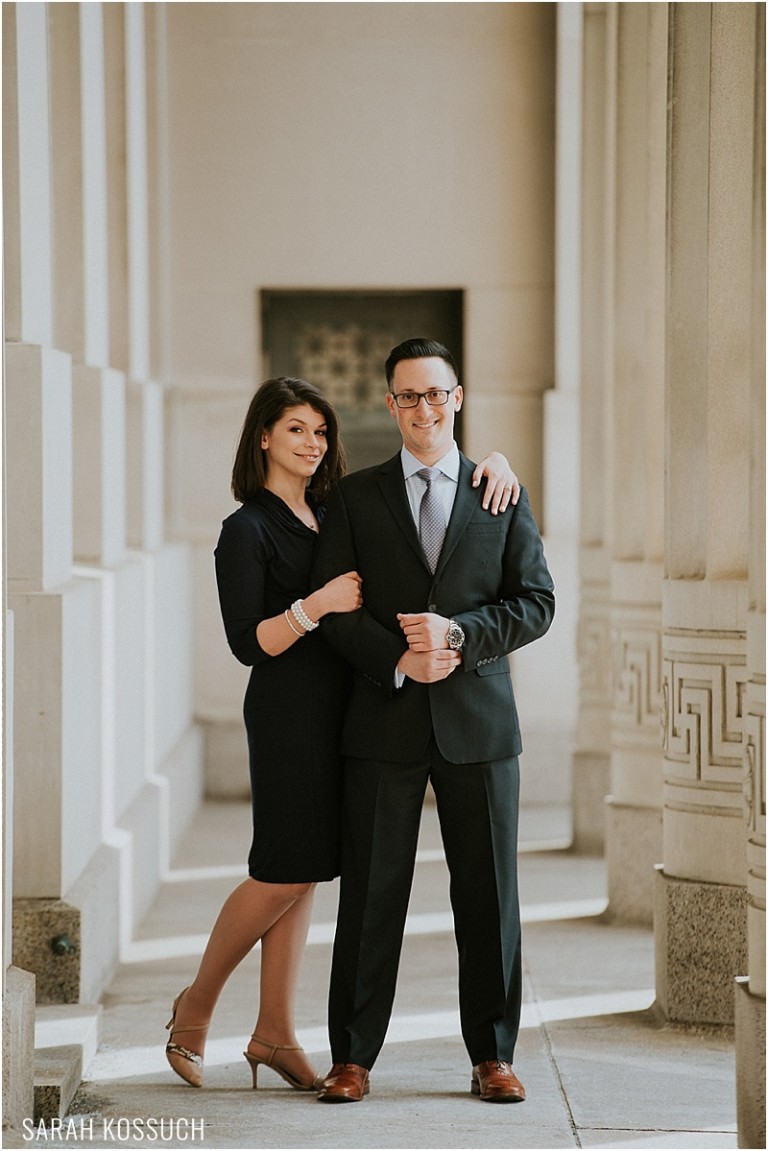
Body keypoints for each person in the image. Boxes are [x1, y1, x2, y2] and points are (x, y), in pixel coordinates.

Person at [164, 374, 520, 1091]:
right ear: (262, 435)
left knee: (313, 873)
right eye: (295, 428)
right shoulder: (247, 529)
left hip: (351, 711)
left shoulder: (333, 506)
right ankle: (194, 1006)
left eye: (320, 431)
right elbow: (248, 643)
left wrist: (498, 464)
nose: (312, 442)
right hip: (291, 714)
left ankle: (273, 1031)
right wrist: (316, 604)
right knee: (284, 869)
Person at [311, 339, 555, 1105]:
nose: (424, 408)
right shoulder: (354, 498)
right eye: (408, 396)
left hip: (478, 724)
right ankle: (351, 1057)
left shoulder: (500, 492)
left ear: (459, 397)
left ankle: (493, 1054)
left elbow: (536, 603)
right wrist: (397, 660)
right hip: (383, 721)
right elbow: (334, 612)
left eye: (436, 394)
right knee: (372, 896)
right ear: (390, 405)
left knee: (488, 896)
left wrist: (458, 637)